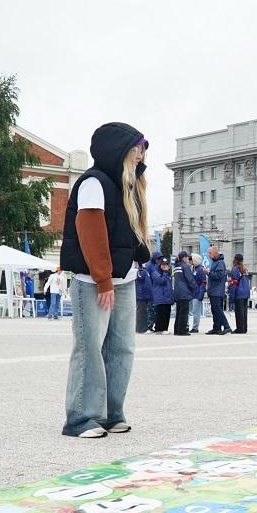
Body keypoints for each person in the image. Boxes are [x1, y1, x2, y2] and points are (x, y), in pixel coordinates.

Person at [58, 121, 152, 438]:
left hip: (124, 279)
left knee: (122, 347)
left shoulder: (127, 185)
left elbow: (125, 234)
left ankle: (111, 413)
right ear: (120, 149)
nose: (141, 155)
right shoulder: (93, 183)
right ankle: (81, 417)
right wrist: (103, 280)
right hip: (93, 281)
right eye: (137, 148)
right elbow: (91, 232)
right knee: (90, 347)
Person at [206, 246, 230, 334]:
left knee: (217, 309)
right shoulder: (215, 262)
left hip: (217, 290)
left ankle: (226, 326)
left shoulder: (220, 263)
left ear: (215, 253)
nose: (209, 255)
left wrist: (209, 273)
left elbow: (218, 275)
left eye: (210, 253)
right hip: (213, 290)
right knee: (214, 310)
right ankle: (216, 327)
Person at [172, 250, 196, 336]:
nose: (187, 259)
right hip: (184, 292)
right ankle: (182, 330)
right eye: (187, 257)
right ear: (184, 258)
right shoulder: (185, 266)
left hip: (177, 292)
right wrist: (194, 288)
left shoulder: (176, 267)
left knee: (179, 311)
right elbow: (189, 279)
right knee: (184, 312)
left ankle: (177, 329)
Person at [229, 255, 250, 334]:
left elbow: (234, 283)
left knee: (238, 312)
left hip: (239, 292)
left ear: (236, 260)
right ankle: (244, 328)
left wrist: (232, 296)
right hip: (245, 292)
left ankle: (239, 329)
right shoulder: (245, 269)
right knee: (244, 312)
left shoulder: (235, 269)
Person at [133, 256, 151, 331]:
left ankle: (143, 327)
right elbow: (139, 278)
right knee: (140, 312)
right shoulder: (140, 271)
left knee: (143, 312)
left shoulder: (145, 271)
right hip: (141, 295)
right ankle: (140, 328)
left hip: (145, 294)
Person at [190, 253, 206, 332]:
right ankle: (194, 326)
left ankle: (195, 327)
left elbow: (203, 282)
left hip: (197, 293)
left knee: (196, 311)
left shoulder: (200, 269)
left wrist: (201, 293)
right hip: (193, 293)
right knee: (193, 310)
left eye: (191, 259)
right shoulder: (194, 269)